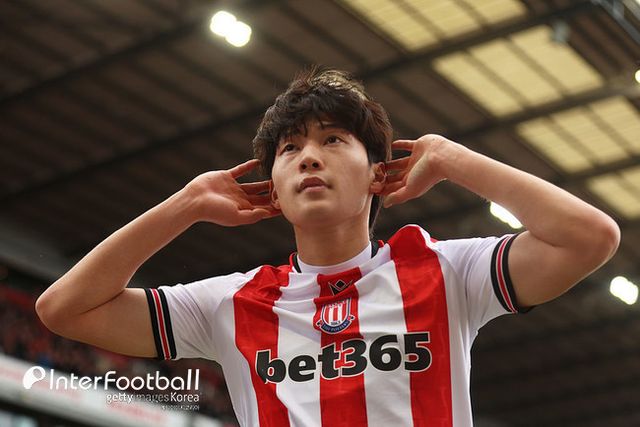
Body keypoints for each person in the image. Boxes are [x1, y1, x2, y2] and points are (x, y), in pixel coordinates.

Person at [36, 68, 620, 427]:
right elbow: (63, 308)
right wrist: (185, 204)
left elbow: (590, 237)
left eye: (333, 140)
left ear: (378, 174)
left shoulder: (447, 271)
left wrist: (451, 158)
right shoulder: (231, 303)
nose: (309, 157)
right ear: (272, 188)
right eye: (289, 149)